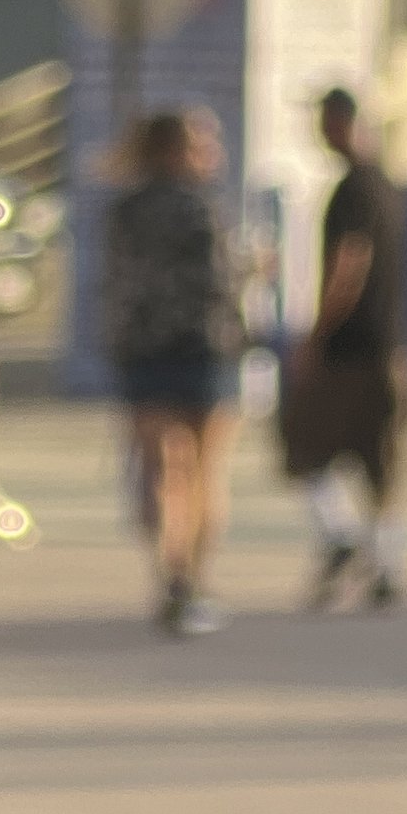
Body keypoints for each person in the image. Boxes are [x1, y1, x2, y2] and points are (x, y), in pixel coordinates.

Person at [102, 110, 243, 635]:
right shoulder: (205, 210)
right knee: (205, 471)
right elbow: (225, 284)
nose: (211, 154)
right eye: (203, 145)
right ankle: (193, 578)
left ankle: (169, 573)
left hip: (143, 353)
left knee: (160, 468)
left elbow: (116, 285)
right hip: (204, 350)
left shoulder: (124, 210)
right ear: (176, 151)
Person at [281, 87, 407, 608]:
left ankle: (342, 541)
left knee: (305, 442)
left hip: (353, 345)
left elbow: (348, 264)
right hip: (387, 341)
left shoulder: (354, 189)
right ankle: (384, 561)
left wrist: (317, 332)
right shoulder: (386, 185)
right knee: (380, 458)